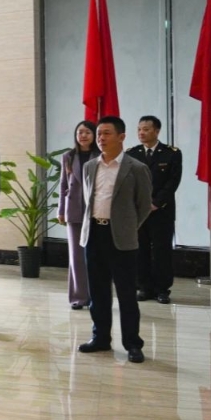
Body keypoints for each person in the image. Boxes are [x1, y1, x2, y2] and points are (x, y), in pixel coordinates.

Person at [78, 116, 152, 363]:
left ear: (121, 137)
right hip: (94, 235)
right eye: (99, 134)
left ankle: (132, 343)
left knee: (127, 293)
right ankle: (100, 338)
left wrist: (127, 227)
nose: (101, 138)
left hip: (121, 238)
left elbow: (143, 206)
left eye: (106, 133)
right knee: (98, 292)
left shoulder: (136, 168)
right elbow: (88, 200)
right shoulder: (90, 166)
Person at [126, 115, 182, 305]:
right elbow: (128, 182)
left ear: (157, 131)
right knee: (139, 249)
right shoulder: (132, 154)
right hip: (138, 211)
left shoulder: (171, 153)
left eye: (146, 129)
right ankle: (144, 287)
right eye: (139, 129)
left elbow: (173, 182)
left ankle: (162, 289)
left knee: (161, 250)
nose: (141, 133)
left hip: (162, 211)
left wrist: (156, 203)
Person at [57, 121, 98, 310]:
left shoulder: (100, 155)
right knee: (76, 257)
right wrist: (61, 210)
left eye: (87, 132)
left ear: (94, 135)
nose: (83, 136)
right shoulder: (68, 156)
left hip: (95, 210)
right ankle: (78, 297)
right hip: (73, 209)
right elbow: (63, 184)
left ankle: (96, 297)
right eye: (80, 132)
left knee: (94, 255)